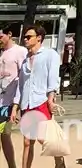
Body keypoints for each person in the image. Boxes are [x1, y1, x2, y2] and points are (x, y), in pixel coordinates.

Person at [16, 26, 60, 168]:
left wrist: (51, 98)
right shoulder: (24, 61)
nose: (25, 39)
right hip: (26, 104)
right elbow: (21, 85)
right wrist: (15, 106)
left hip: (41, 101)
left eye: (29, 37)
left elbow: (53, 78)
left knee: (44, 139)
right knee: (27, 141)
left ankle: (60, 162)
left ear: (39, 37)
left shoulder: (50, 54)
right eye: (25, 37)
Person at [0, 29, 27, 168]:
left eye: (1, 36)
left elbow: (22, 79)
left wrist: (17, 105)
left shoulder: (20, 51)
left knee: (4, 134)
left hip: (9, 101)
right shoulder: (1, 52)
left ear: (9, 34)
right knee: (4, 137)